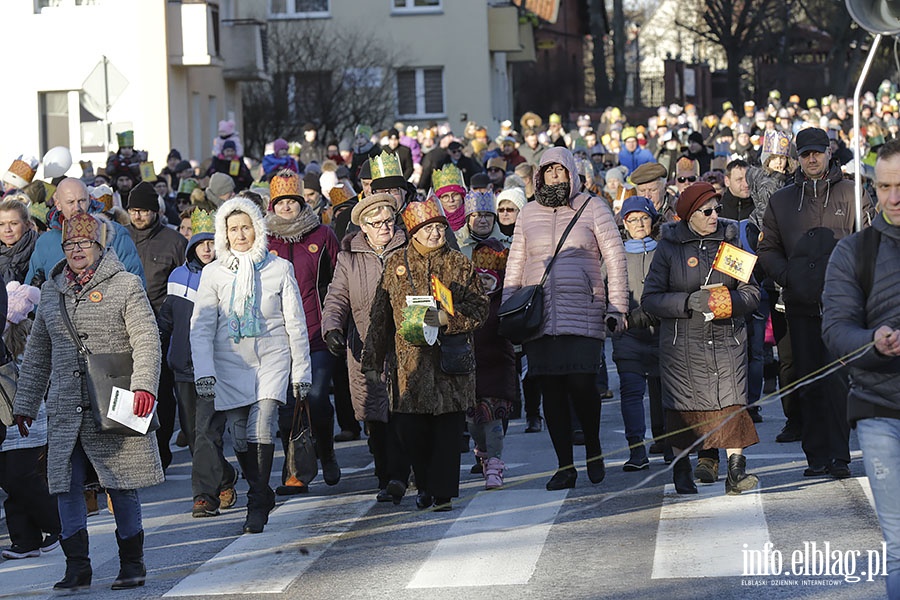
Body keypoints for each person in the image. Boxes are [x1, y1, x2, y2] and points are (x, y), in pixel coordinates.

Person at [13, 212, 163, 590]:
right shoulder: (52, 290)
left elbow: (147, 339)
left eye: (84, 244)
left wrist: (145, 386)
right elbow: (37, 353)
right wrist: (25, 404)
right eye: (69, 244)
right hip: (66, 406)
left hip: (116, 400)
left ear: (100, 247)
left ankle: (133, 564)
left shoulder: (126, 285)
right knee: (66, 485)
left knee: (121, 484)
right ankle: (77, 567)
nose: (76, 250)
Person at [503, 147, 629, 490]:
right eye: (548, 171)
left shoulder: (593, 208)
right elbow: (515, 265)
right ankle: (565, 466)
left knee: (582, 385)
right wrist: (509, 311)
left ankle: (593, 448)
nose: (554, 177)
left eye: (560, 171)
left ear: (572, 173)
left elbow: (616, 260)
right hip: (539, 316)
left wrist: (617, 307)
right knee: (551, 391)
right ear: (539, 176)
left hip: (584, 310)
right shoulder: (527, 214)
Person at [190, 196, 312, 534]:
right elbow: (200, 326)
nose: (240, 235)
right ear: (223, 234)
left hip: (272, 358)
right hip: (229, 362)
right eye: (233, 229)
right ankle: (261, 490)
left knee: (262, 426)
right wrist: (204, 372)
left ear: (257, 229)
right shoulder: (213, 273)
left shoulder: (278, 269)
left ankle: (257, 499)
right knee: (239, 434)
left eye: (246, 227)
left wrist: (301, 371)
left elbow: (295, 322)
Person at [362, 195, 489, 511]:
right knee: (410, 431)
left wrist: (449, 318)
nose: (435, 233)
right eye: (428, 228)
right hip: (409, 366)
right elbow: (380, 316)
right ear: (413, 231)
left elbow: (480, 308)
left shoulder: (459, 264)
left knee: (447, 432)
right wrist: (372, 360)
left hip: (450, 363)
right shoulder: (396, 264)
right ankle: (425, 482)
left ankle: (442, 493)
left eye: (439, 227)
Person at [757, 126, 871, 479]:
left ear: (828, 152)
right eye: (805, 153)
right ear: (797, 157)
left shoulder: (851, 193)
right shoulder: (782, 200)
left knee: (838, 383)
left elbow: (870, 242)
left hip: (841, 308)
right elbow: (767, 249)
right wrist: (788, 276)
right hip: (798, 304)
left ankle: (839, 455)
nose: (811, 158)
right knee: (806, 382)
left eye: (817, 152)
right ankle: (815, 454)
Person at [641, 182, 761, 495]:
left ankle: (737, 471)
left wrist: (732, 303)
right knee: (683, 406)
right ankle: (682, 469)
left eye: (717, 210)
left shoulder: (730, 242)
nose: (714, 216)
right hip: (683, 343)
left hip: (726, 339)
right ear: (689, 216)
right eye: (706, 211)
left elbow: (752, 291)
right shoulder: (669, 247)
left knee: (732, 401)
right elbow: (651, 298)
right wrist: (685, 302)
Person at [822, 139, 900, 600]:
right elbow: (836, 329)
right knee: (899, 547)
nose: (895, 197)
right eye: (885, 186)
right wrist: (873, 341)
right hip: (878, 410)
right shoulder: (854, 252)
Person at [321, 192, 409, 501]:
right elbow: (336, 298)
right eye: (377, 223)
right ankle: (384, 474)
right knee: (375, 414)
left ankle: (399, 475)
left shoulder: (407, 248)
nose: (385, 227)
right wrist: (331, 327)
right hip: (366, 346)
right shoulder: (349, 257)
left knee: (402, 410)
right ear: (364, 227)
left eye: (389, 220)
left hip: (405, 344)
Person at [264, 171, 341, 491]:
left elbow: (340, 279)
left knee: (319, 397)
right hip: (278, 337)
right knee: (286, 406)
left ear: (301, 203)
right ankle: (295, 469)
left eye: (291, 201)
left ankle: (326, 453)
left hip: (315, 333)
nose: (286, 207)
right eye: (280, 202)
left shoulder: (322, 235)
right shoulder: (265, 240)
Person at [158, 209, 238, 517]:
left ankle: (204, 496)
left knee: (206, 431)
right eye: (201, 243)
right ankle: (226, 477)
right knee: (194, 435)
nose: (207, 249)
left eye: (212, 242)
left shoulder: (229, 275)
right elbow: (167, 321)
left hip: (215, 368)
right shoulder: (178, 276)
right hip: (182, 368)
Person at [126, 181, 188, 471]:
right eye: (134, 210)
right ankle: (136, 451)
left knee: (161, 390)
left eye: (145, 211)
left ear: (156, 211)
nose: (139, 216)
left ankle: (161, 448)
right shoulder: (120, 238)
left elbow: (184, 280)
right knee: (129, 390)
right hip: (124, 325)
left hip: (161, 324)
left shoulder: (173, 241)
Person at [0, 281, 62, 560]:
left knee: (20, 477)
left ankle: (58, 524)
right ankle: (25, 539)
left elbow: (37, 374)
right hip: (11, 418)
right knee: (11, 481)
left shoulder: (28, 336)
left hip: (25, 418)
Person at [612, 196, 669, 471]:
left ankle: (667, 443)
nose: (638, 224)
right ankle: (636, 449)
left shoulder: (665, 251)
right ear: (624, 224)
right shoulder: (615, 255)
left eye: (644, 218)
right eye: (632, 219)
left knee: (665, 392)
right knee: (631, 392)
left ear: (653, 220)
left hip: (663, 334)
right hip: (628, 337)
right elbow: (604, 291)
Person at [25, 178, 144, 288]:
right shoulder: (45, 242)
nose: (77, 208)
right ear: (58, 205)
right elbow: (31, 291)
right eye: (70, 202)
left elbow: (135, 282)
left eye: (81, 201)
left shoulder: (115, 233)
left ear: (89, 200)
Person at [0, 196, 39, 284]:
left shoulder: (40, 250)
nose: (7, 229)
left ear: (27, 225)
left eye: (14, 223)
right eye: (1, 224)